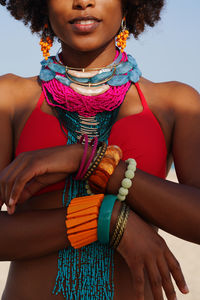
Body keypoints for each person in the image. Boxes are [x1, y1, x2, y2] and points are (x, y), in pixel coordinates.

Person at [0, 0, 200, 299]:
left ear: (129, 5)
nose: (83, 2)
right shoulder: (9, 99)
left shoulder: (176, 104)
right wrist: (101, 218)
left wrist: (90, 160)